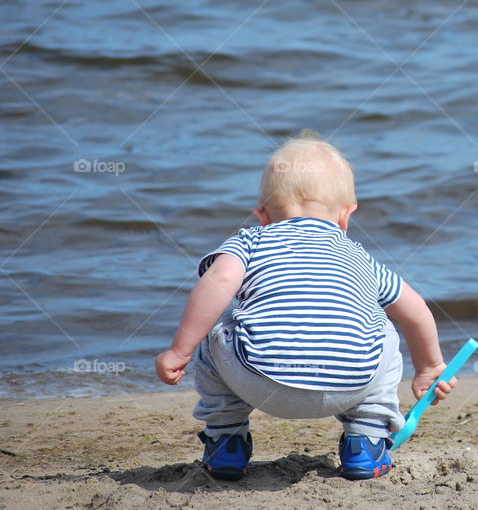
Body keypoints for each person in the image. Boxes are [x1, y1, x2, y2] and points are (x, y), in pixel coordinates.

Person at [155, 130, 455, 480]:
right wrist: (429, 366)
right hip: (350, 382)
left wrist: (179, 350)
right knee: (384, 329)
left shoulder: (251, 240)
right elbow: (415, 309)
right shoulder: (359, 256)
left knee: (217, 328)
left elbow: (218, 282)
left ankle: (226, 442)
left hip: (259, 379)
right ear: (347, 215)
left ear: (261, 214)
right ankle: (366, 442)